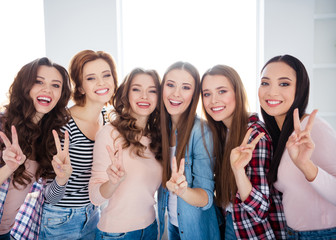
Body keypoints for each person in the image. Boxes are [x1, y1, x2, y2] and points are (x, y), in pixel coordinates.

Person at [0, 57, 72, 240]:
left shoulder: (51, 139)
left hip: (8, 233)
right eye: (39, 81)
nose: (47, 90)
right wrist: (8, 168)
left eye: (56, 85)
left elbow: (50, 198)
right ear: (24, 86)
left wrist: (62, 179)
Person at [201, 64, 286, 240]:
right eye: (207, 94)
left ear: (237, 93)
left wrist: (239, 171)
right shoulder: (222, 134)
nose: (213, 100)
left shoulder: (254, 136)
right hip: (232, 223)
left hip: (253, 232)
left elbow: (260, 210)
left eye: (222, 91)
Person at [39, 50, 118, 240]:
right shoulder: (62, 124)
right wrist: (61, 179)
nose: (101, 82)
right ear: (80, 87)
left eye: (106, 75)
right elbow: (50, 196)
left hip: (92, 215)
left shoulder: (107, 119)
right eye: (91, 78)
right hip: (60, 219)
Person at [259, 54, 336, 239]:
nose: (272, 92)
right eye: (265, 83)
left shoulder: (314, 127)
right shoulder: (277, 134)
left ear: (300, 89)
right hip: (292, 233)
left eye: (284, 84)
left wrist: (306, 166)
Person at [89, 68, 162, 240]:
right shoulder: (110, 133)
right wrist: (113, 182)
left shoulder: (157, 138)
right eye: (136, 89)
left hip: (151, 228)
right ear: (126, 94)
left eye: (152, 91)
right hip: (117, 234)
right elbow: (95, 197)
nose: (144, 96)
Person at [157, 61, 220, 240]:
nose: (176, 93)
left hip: (197, 230)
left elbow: (206, 198)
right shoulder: (161, 128)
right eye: (170, 85)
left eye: (185, 87)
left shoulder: (201, 132)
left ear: (194, 94)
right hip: (172, 225)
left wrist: (183, 191)